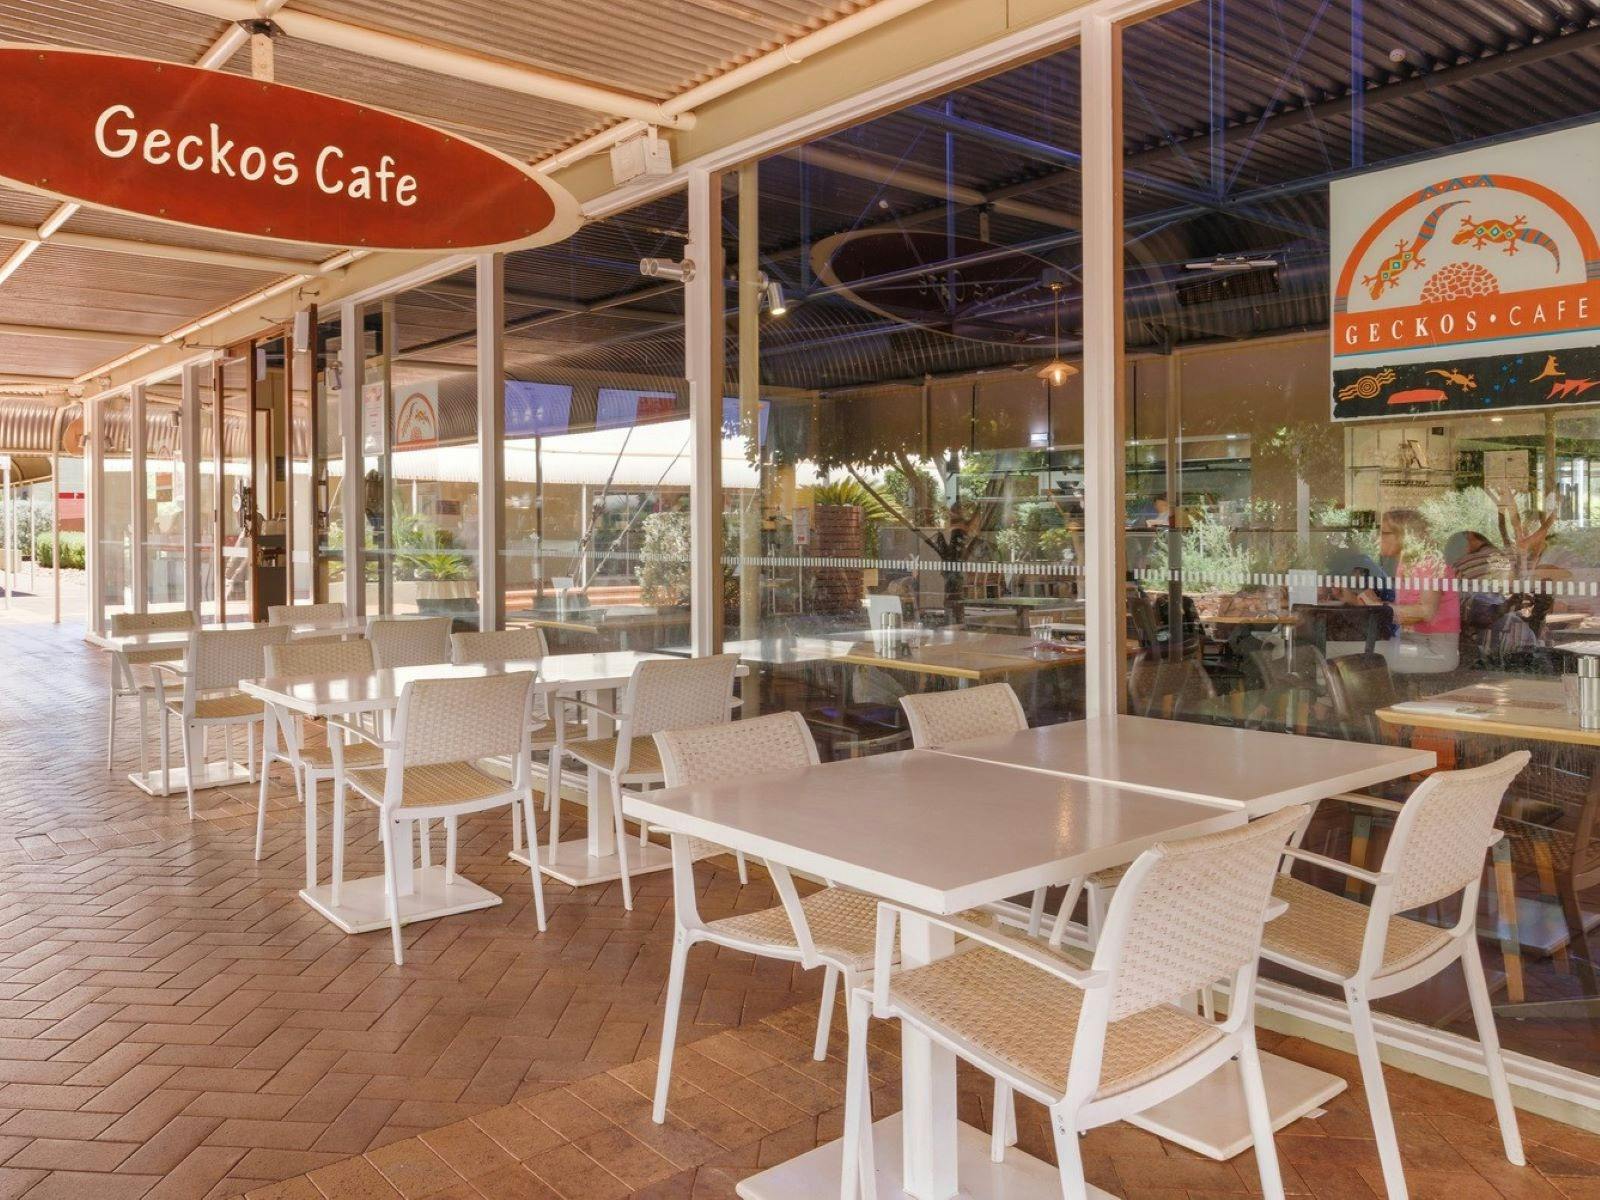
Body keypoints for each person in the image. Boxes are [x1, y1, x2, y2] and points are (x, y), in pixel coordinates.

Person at [1381, 508, 1459, 675]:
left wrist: (1378, 608)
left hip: (1434, 649)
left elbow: (1426, 611)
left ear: (1403, 536)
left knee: (1358, 659)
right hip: (1413, 642)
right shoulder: (1407, 564)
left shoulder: (1428, 563)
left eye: (1384, 533)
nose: (1378, 539)